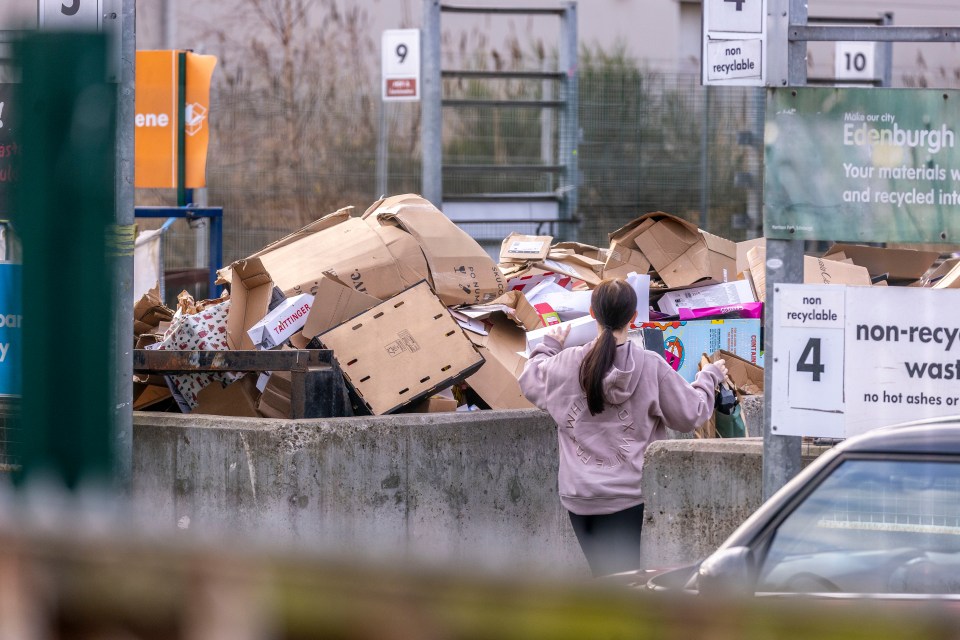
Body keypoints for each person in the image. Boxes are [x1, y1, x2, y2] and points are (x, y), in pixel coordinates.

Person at [518, 278, 727, 577]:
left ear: (592, 313)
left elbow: (530, 381)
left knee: (608, 582)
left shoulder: (566, 363)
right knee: (624, 585)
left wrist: (549, 345)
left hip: (579, 498)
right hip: (626, 498)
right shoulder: (650, 366)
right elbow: (691, 414)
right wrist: (709, 378)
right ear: (633, 317)